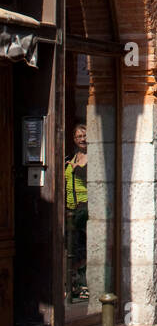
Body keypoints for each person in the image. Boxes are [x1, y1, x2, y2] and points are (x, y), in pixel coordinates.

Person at [65, 122, 88, 302]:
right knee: (71, 246)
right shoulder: (71, 157)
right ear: (74, 139)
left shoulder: (92, 158)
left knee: (81, 246)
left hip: (84, 206)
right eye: (79, 136)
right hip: (70, 208)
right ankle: (73, 282)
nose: (82, 139)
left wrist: (77, 169)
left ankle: (82, 283)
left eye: (85, 135)